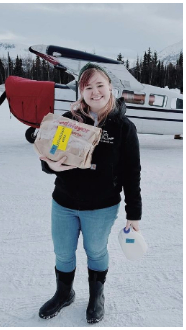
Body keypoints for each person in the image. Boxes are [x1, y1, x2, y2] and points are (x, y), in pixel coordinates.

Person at [38, 63, 141, 324]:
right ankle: (64, 293)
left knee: (95, 251)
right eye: (87, 87)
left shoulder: (123, 128)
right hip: (64, 202)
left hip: (102, 206)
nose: (95, 92)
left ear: (110, 88)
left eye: (99, 85)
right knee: (63, 252)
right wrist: (50, 165)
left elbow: (132, 173)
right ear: (80, 92)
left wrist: (134, 214)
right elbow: (52, 156)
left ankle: (96, 297)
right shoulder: (68, 121)